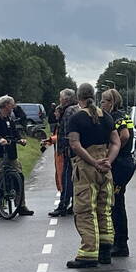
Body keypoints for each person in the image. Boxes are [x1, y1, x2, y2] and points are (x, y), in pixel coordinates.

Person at [66, 83, 120, 269]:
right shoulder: (106, 117)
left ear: (78, 98)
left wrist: (93, 162)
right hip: (106, 170)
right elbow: (116, 142)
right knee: (104, 209)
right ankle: (105, 251)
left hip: (86, 169)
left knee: (85, 211)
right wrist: (108, 161)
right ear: (94, 96)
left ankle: (88, 254)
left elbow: (75, 145)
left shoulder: (76, 119)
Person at [101, 89, 135, 257]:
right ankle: (119, 241)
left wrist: (111, 153)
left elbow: (125, 135)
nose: (101, 105)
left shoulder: (115, 117)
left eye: (103, 102)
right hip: (126, 162)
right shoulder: (124, 115)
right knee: (116, 202)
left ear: (111, 103)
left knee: (116, 203)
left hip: (121, 163)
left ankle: (121, 244)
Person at [0, 95, 34, 217]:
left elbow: (15, 133)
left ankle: (21, 205)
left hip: (11, 152)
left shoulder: (10, 118)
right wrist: (0, 139)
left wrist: (20, 140)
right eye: (12, 104)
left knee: (19, 175)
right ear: (6, 105)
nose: (14, 106)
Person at [49, 88, 79, 217]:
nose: (59, 100)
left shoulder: (68, 112)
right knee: (73, 178)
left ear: (66, 99)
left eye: (60, 98)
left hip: (68, 150)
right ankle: (73, 204)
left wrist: (66, 148)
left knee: (66, 178)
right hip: (73, 149)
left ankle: (63, 205)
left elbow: (68, 132)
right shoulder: (75, 109)